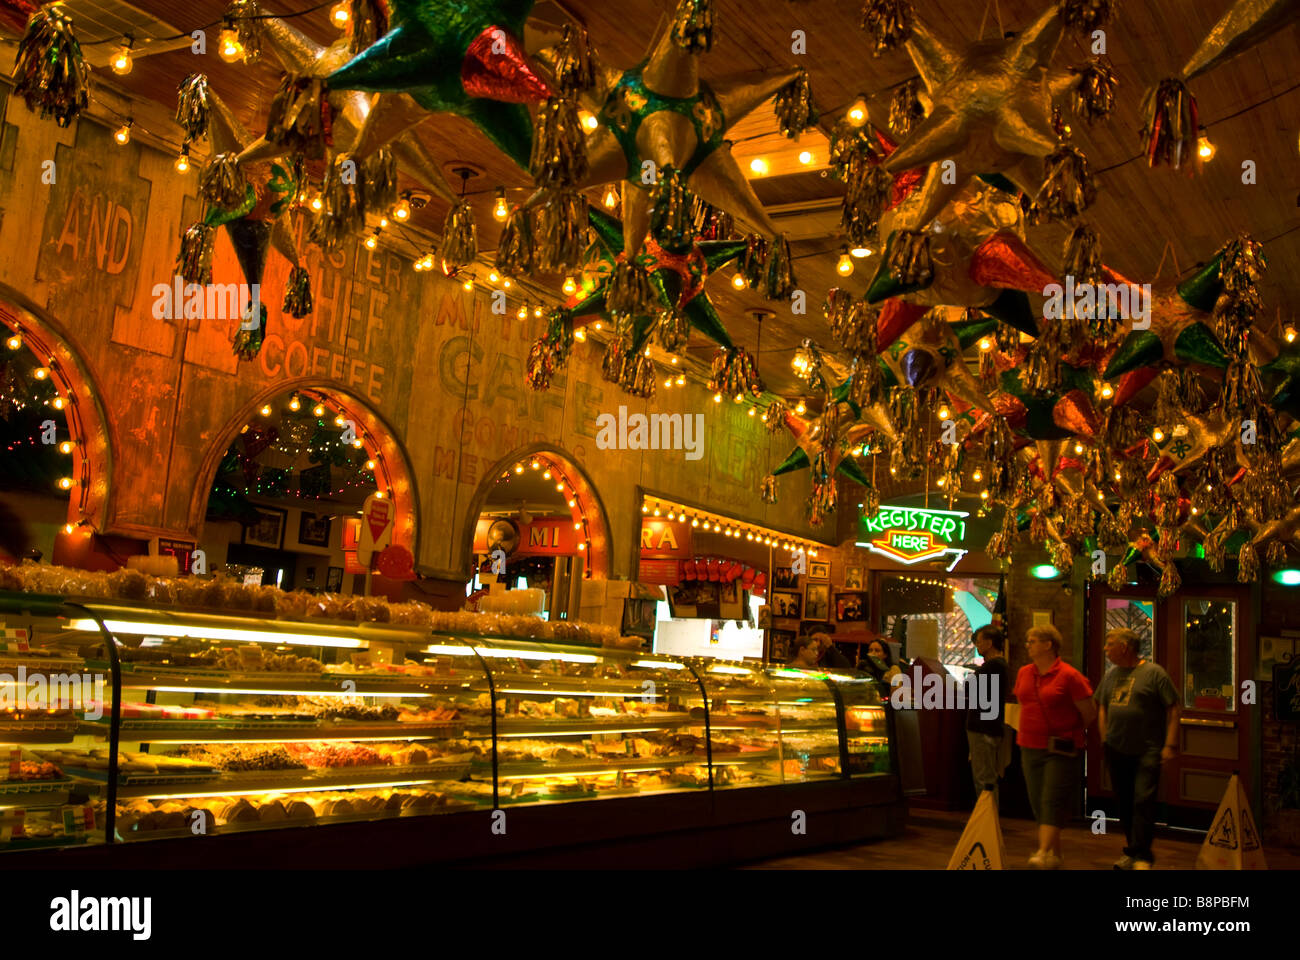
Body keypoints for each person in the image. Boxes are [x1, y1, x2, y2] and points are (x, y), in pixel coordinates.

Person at [1094, 628, 1179, 870]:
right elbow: (1101, 704)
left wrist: (1170, 744)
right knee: (1125, 802)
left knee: (1143, 799)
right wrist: (1104, 737)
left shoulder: (1154, 673)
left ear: (1125, 647)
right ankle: (1135, 850)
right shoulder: (1111, 675)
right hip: (1117, 749)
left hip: (1147, 750)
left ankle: (1141, 856)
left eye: (1110, 644)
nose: (1105, 648)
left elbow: (1173, 708)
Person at [1013, 623, 1095, 869]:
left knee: (1051, 799)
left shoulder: (1069, 676)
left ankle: (1042, 851)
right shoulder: (1024, 672)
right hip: (1029, 744)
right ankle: (1055, 855)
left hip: (1060, 747)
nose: (1028, 645)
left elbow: (1089, 713)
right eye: (1028, 641)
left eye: (1033, 641)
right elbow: (1022, 701)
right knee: (1038, 801)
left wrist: (1069, 729)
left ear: (1049, 645)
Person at [966, 626, 1009, 807]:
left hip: (983, 728)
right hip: (991, 726)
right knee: (986, 776)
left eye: (979, 641)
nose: (976, 644)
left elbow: (971, 689)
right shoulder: (1001, 665)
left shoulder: (993, 666)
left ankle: (986, 822)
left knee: (984, 779)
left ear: (990, 643)